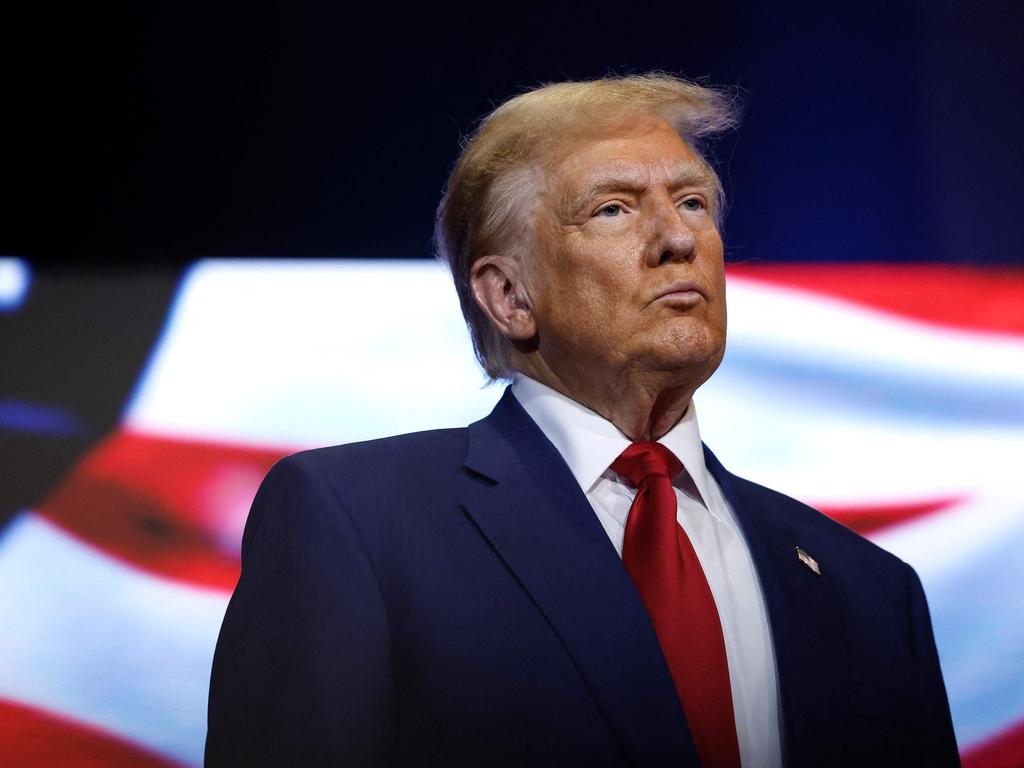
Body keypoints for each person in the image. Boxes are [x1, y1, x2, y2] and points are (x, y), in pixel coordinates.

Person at [205, 74, 960, 767]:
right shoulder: (361, 524)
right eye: (613, 209)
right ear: (509, 297)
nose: (677, 239)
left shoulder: (868, 591)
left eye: (693, 202)